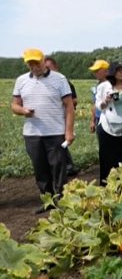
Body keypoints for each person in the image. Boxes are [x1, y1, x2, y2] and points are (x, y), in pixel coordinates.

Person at [11, 48, 75, 214]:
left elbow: (69, 106)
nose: (34, 66)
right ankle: (47, 201)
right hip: (32, 133)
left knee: (58, 168)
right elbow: (14, 105)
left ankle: (62, 201)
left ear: (43, 61)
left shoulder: (59, 79)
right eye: (30, 64)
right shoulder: (21, 80)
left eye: (36, 63)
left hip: (55, 132)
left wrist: (69, 131)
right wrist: (23, 110)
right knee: (40, 169)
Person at [43, 57, 80, 176]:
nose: (47, 70)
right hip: (50, 119)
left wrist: (61, 105)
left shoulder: (64, 82)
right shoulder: (44, 83)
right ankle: (67, 166)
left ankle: (68, 166)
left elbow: (74, 100)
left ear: (56, 67)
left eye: (49, 68)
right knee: (58, 144)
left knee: (61, 142)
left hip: (63, 117)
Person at [88, 59, 109, 134]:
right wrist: (92, 121)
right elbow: (95, 104)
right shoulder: (96, 87)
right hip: (98, 118)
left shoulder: (112, 85)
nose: (94, 73)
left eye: (97, 70)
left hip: (109, 119)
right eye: (94, 71)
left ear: (106, 71)